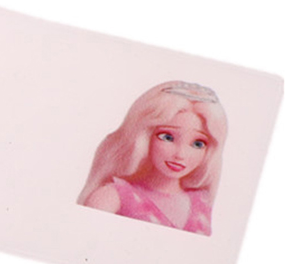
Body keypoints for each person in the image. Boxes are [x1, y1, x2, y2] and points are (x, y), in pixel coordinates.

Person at [78, 81, 227, 235]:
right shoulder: (112, 196)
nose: (180, 154)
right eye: (167, 137)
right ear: (144, 137)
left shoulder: (202, 202)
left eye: (198, 144)